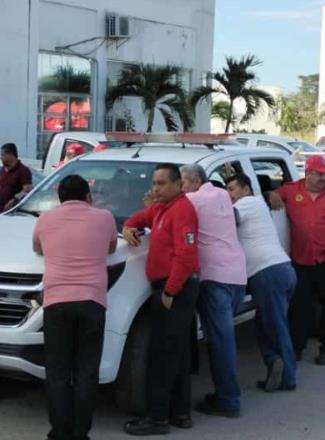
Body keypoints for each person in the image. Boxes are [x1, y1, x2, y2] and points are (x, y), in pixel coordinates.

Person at [32, 174, 117, 440]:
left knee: (57, 372)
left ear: (59, 198)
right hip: (92, 302)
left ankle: (59, 432)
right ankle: (81, 434)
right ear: (88, 197)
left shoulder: (44, 220)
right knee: (86, 371)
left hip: (56, 303)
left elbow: (38, 248)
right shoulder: (104, 218)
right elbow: (112, 246)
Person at [122, 163, 199, 436]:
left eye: (162, 183)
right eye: (154, 183)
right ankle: (179, 413)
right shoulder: (161, 209)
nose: (156, 188)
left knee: (162, 356)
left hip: (174, 290)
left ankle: (157, 419)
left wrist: (169, 292)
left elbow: (186, 256)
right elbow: (138, 217)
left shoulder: (182, 210)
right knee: (176, 354)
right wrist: (129, 227)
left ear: (178, 185)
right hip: (167, 288)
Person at [269, 155, 325, 366]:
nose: (323, 178)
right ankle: (296, 347)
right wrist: (271, 193)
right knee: (300, 306)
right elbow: (272, 194)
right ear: (307, 173)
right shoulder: (291, 190)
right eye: (319, 174)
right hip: (301, 259)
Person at [178, 165, 247, 419]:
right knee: (223, 340)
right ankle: (226, 395)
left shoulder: (192, 200)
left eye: (181, 181)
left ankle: (229, 400)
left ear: (195, 181)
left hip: (215, 277)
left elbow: (165, 210)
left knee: (220, 342)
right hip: (237, 276)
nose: (179, 186)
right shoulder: (220, 194)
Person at [226, 174, 297, 392]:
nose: (229, 195)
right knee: (266, 324)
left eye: (232, 189)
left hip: (268, 273)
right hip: (280, 270)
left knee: (275, 327)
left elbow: (225, 217)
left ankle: (287, 377)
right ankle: (273, 363)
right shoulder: (256, 204)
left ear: (246, 189)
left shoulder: (247, 203)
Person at [0, 143, 32, 213]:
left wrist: (13, 201)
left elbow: (27, 190)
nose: (1, 157)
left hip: (13, 210)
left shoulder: (23, 170)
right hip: (1, 209)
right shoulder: (4, 169)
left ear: (10, 155)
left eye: (3, 155)